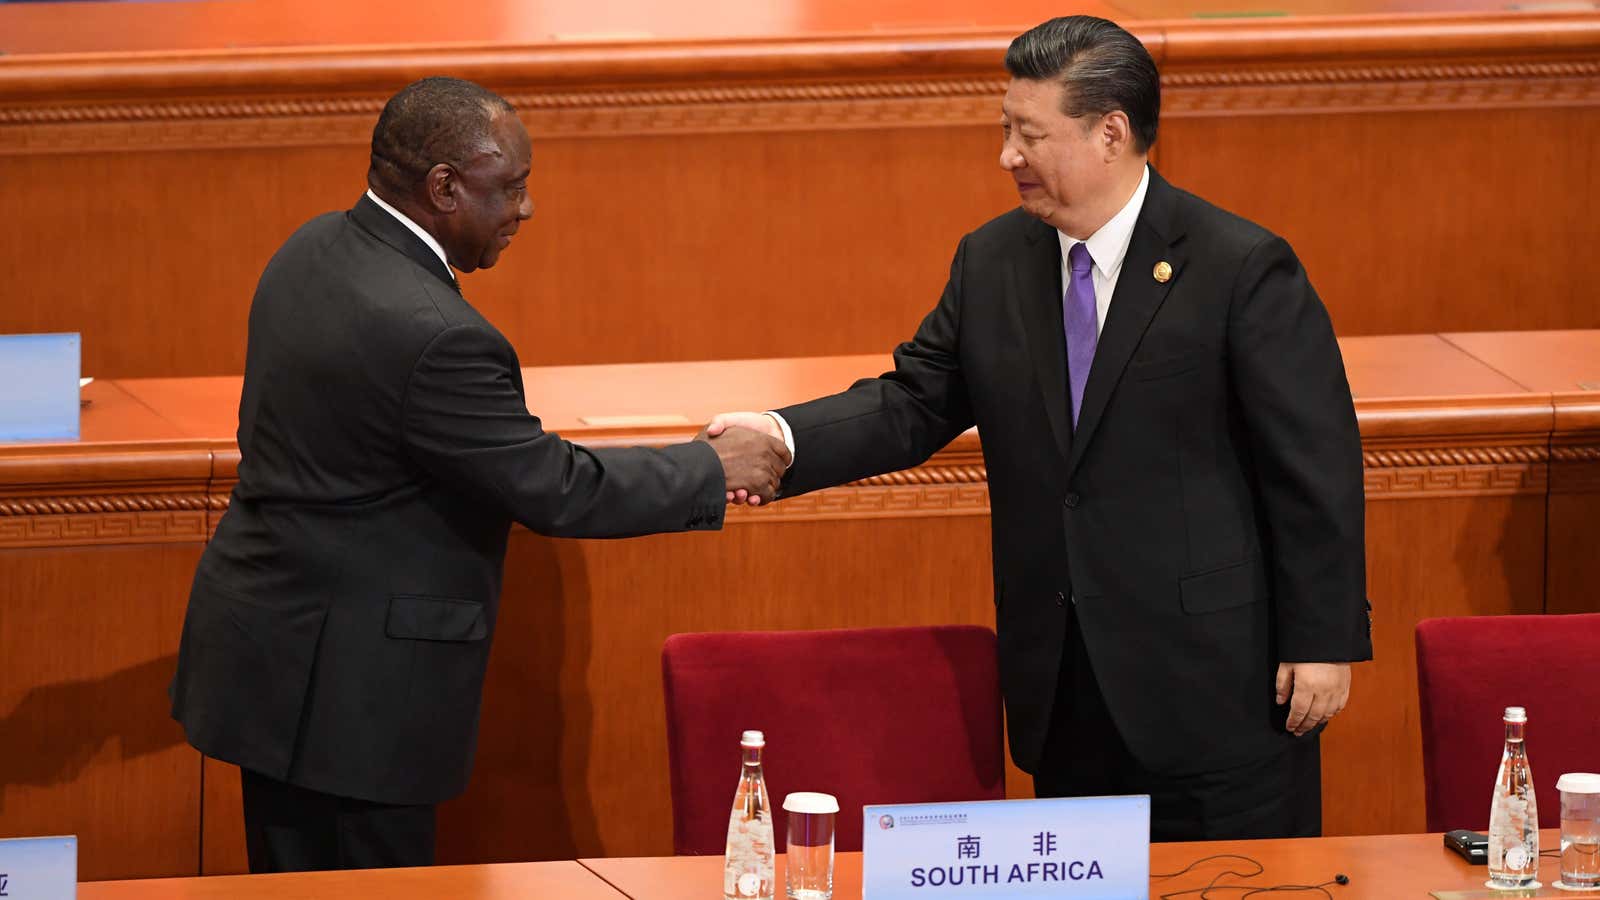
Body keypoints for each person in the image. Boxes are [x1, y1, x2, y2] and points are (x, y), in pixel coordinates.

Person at [710, 16, 1371, 841]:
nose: (1007, 157)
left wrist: (1323, 641)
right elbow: (913, 401)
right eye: (1004, 130)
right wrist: (781, 439)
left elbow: (1315, 465)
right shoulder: (993, 263)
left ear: (1111, 133)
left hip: (1219, 697)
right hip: (1066, 693)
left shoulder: (1239, 267)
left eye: (1028, 134)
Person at [168, 76, 789, 873]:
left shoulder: (310, 249)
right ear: (444, 187)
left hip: (267, 663)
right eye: (513, 189)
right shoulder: (438, 336)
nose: (526, 211)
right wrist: (712, 467)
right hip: (355, 706)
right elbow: (555, 487)